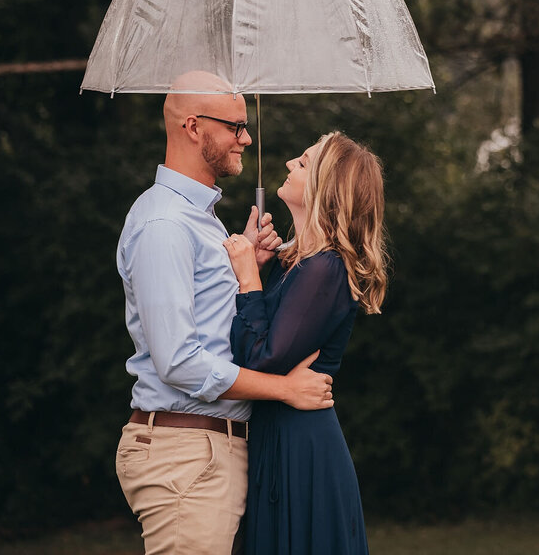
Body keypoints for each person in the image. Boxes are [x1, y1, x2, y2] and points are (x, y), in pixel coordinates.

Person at [114, 71, 334, 555]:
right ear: (193, 127)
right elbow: (178, 360)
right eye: (236, 126)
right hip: (185, 456)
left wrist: (248, 270)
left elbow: (211, 325)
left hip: (209, 451)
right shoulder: (164, 224)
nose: (247, 138)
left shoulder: (201, 219)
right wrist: (284, 389)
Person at [222, 131, 387, 555]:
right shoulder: (295, 264)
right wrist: (258, 269)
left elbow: (260, 358)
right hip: (276, 439)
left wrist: (247, 279)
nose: (290, 163)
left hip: (301, 451)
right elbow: (247, 340)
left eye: (305, 161)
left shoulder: (325, 269)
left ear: (326, 188)